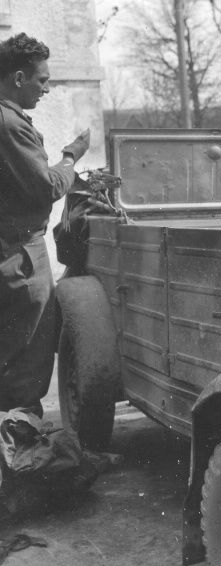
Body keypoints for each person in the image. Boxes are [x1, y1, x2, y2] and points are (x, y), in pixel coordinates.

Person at [0, 33, 90, 416]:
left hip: (12, 249)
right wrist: (72, 155)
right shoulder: (9, 125)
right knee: (28, 357)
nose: (47, 88)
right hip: (19, 255)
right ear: (19, 79)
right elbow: (47, 188)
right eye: (42, 80)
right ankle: (23, 447)